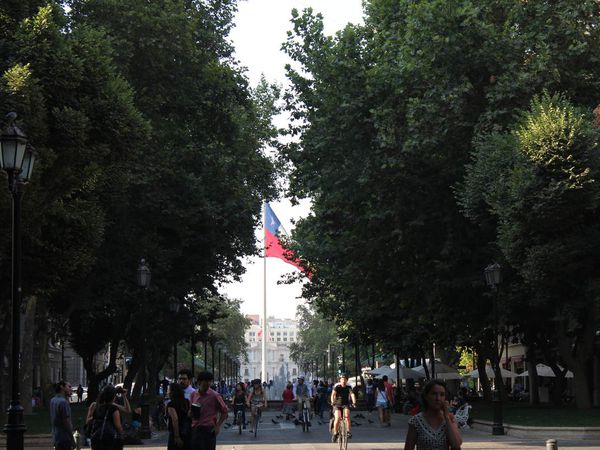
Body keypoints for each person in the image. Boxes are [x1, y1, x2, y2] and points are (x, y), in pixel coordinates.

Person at [403, 379, 463, 450]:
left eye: (442, 395)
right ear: (426, 396)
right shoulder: (416, 421)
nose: (438, 398)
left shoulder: (450, 419)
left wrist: (446, 417)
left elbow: (456, 445)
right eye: (434, 394)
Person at [189, 371, 228, 450]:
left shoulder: (215, 395)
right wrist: (190, 413)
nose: (208, 383)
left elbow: (224, 411)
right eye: (206, 381)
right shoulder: (193, 394)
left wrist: (218, 426)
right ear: (199, 382)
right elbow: (190, 411)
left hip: (209, 429)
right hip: (195, 428)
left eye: (210, 381)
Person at [86, 384, 125, 450]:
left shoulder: (98, 407)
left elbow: (90, 420)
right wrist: (122, 434)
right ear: (113, 396)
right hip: (110, 439)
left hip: (97, 438)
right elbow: (117, 425)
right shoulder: (113, 408)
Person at [330, 374, 357, 442]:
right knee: (338, 417)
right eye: (342, 379)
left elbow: (352, 394)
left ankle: (348, 432)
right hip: (337, 405)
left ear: (347, 380)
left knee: (347, 416)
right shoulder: (337, 386)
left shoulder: (349, 386)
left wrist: (354, 402)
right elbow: (333, 395)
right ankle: (335, 433)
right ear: (340, 380)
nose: (343, 381)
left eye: (345, 379)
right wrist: (333, 402)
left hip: (345, 404)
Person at [50, 380, 75, 450]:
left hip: (56, 436)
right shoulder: (63, 402)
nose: (71, 389)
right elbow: (66, 422)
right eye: (69, 387)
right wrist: (72, 440)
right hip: (65, 438)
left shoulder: (53, 400)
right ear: (62, 387)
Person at [166, 382, 191, 450]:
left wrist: (177, 436)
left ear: (172, 392)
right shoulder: (187, 402)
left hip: (176, 432)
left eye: (168, 390)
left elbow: (175, 419)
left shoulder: (171, 404)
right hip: (187, 432)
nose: (167, 392)